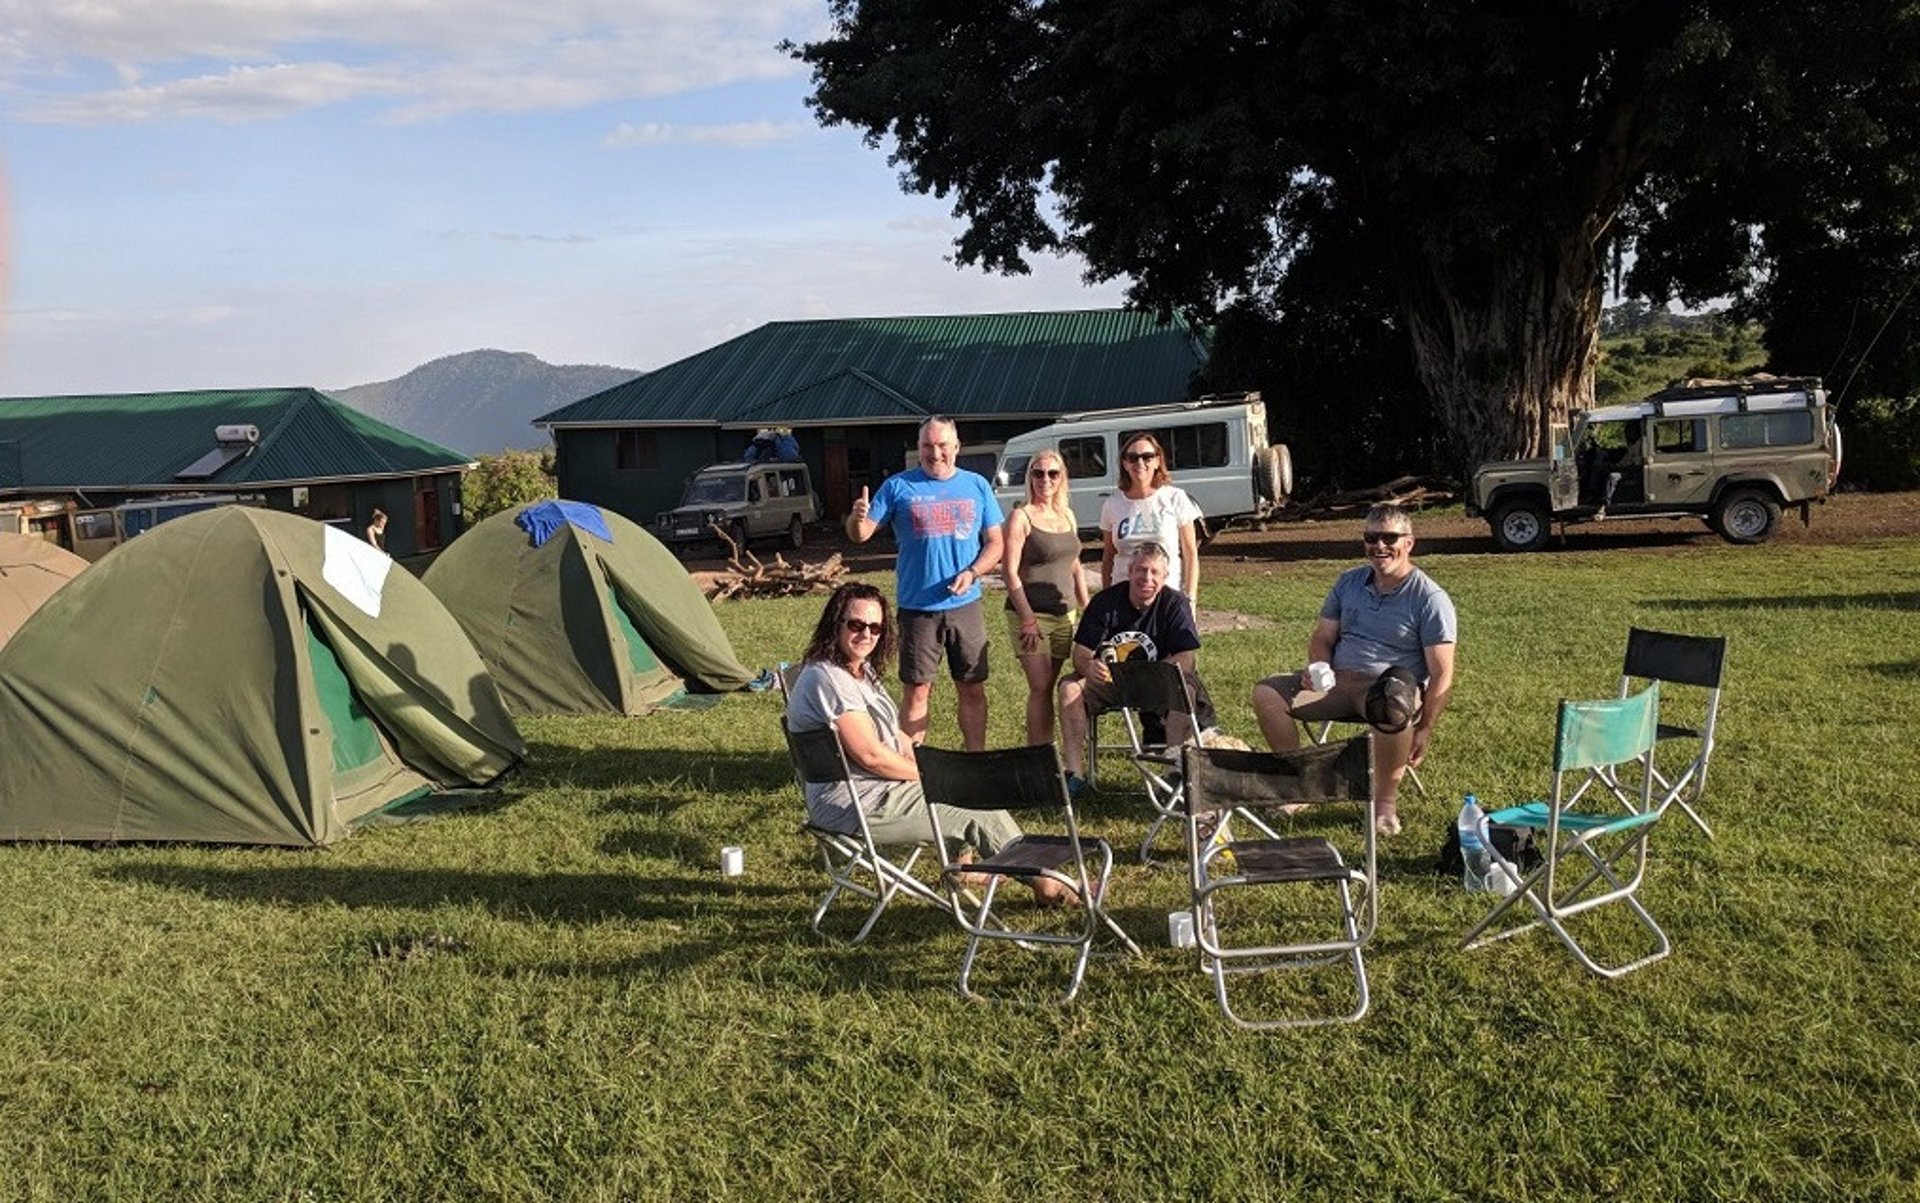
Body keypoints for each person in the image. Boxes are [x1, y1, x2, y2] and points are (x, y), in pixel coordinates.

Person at [785, 582, 1074, 904]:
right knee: (978, 812)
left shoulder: (858, 670)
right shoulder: (828, 678)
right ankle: (1050, 887)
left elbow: (894, 737)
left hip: (874, 791)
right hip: (856, 805)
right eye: (856, 625)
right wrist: (933, 778)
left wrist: (939, 766)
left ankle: (963, 868)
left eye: (876, 627)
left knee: (967, 786)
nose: (866, 634)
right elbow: (871, 756)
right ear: (834, 624)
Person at [1250, 503, 1457, 837]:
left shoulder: (1429, 598)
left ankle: (1384, 804)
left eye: (1389, 537)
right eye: (1371, 537)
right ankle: (1302, 784)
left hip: (1388, 688)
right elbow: (1322, 637)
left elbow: (1442, 671)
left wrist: (1426, 726)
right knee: (1267, 693)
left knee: (1390, 704)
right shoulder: (1348, 582)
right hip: (1337, 683)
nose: (1379, 546)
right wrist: (1318, 666)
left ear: (1409, 543)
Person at [845, 416, 1003, 750]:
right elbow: (860, 535)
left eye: (943, 445)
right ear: (918, 448)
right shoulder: (898, 486)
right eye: (928, 446)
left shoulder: (976, 486)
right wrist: (856, 518)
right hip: (918, 609)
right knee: (917, 691)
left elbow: (995, 543)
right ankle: (911, 767)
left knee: (972, 687)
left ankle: (975, 758)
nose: (935, 453)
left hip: (966, 606)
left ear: (956, 447)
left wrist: (973, 572)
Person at [1057, 543, 1214, 797]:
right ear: (1130, 571)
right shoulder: (1105, 603)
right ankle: (1074, 774)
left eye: (1154, 572)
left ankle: (1173, 772)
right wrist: (1089, 666)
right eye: (1141, 570)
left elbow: (1187, 658)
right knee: (1069, 688)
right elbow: (1081, 654)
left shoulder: (1175, 604)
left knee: (1185, 687)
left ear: (1165, 577)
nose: (1147, 578)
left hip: (1159, 681)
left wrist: (1156, 675)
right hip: (1112, 681)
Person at [1004, 448, 1090, 749]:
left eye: (1052, 473)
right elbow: (1009, 572)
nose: (1045, 479)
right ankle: (1037, 755)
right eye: (1038, 473)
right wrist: (1026, 618)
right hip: (1031, 615)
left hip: (1064, 612)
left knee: (1051, 685)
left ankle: (1047, 749)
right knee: (1039, 686)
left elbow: (1075, 565)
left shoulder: (1067, 515)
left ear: (1062, 477)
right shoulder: (1021, 516)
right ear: (1029, 477)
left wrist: (1087, 608)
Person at [1101, 432, 1203, 607]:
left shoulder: (1175, 498)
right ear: (1124, 464)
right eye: (1132, 458)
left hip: (1166, 597)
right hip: (1123, 598)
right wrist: (1106, 597)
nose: (1140, 463)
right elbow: (1109, 556)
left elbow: (1190, 552)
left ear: (1157, 461)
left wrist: (1190, 598)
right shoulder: (1112, 504)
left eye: (1147, 457)